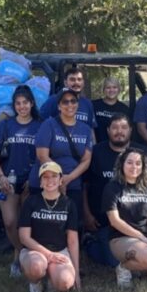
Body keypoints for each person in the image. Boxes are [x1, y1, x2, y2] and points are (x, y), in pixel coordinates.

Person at [82, 113, 147, 268]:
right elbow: (85, 186)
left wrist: (144, 204)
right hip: (107, 220)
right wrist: (87, 214)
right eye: (114, 127)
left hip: (138, 214)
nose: (119, 131)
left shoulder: (144, 152)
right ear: (108, 130)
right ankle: (90, 243)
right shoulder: (96, 152)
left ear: (131, 130)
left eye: (123, 127)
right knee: (111, 262)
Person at [102, 147, 147, 289]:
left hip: (146, 238)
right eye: (129, 162)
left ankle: (141, 265)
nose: (134, 167)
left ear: (143, 167)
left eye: (138, 163)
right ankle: (124, 267)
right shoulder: (112, 187)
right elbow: (114, 221)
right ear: (122, 164)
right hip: (121, 238)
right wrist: (141, 238)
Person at [0, 85, 41, 277]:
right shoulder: (6, 125)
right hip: (8, 180)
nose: (22, 107)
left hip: (31, 181)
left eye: (25, 103)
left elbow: (44, 154)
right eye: (18, 103)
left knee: (26, 222)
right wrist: (0, 176)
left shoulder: (40, 125)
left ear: (32, 103)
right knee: (10, 222)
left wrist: (34, 177)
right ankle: (22, 250)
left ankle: (19, 259)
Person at [18, 162, 81, 292]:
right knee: (36, 266)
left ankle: (51, 279)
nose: (50, 180)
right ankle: (35, 283)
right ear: (40, 182)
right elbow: (24, 237)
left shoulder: (69, 204)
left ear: (60, 180)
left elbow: (72, 240)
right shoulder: (31, 201)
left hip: (59, 251)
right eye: (45, 177)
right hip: (34, 251)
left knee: (65, 282)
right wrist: (48, 254)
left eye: (54, 176)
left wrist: (76, 273)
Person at [33, 87, 94, 220]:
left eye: (73, 101)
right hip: (48, 183)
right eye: (65, 102)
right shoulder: (49, 125)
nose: (70, 105)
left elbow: (86, 160)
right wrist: (58, 180)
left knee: (73, 225)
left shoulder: (86, 129)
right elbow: (42, 155)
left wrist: (68, 178)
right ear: (59, 106)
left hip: (73, 183)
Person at [39, 66, 97, 135]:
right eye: (72, 80)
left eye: (79, 79)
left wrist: (93, 145)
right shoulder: (54, 100)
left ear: (83, 83)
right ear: (65, 83)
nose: (76, 83)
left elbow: (91, 130)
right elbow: (40, 122)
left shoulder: (88, 103)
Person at [92, 77, 130, 143]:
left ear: (119, 89)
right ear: (103, 89)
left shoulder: (124, 109)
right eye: (108, 87)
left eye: (114, 87)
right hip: (97, 146)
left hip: (118, 146)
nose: (111, 90)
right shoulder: (94, 105)